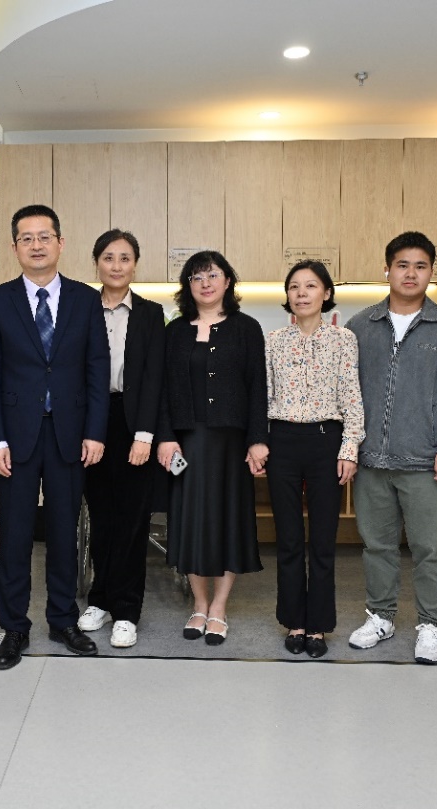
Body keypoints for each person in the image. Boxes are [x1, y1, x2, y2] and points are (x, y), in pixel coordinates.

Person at [0, 204, 110, 670]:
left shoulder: (85, 300)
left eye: (44, 236)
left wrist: (95, 431)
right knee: (14, 535)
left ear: (60, 243)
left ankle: (62, 620)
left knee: (63, 533)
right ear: (15, 247)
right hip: (14, 438)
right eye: (26, 238)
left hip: (70, 434)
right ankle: (14, 627)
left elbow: (97, 369)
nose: (36, 245)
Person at [345, 231, 437, 664]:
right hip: (371, 458)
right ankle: (380, 617)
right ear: (387, 270)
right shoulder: (359, 327)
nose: (410, 273)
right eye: (402, 265)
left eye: (421, 266)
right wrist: (348, 446)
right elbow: (345, 391)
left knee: (431, 549)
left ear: (430, 273)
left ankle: (430, 625)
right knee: (377, 546)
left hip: (425, 459)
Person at [156, 251, 268, 646]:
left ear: (227, 281)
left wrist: (258, 440)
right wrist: (165, 436)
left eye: (213, 275)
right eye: (196, 277)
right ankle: (199, 604)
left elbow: (258, 388)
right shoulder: (174, 331)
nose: (205, 283)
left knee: (229, 520)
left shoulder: (246, 328)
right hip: (185, 441)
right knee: (189, 521)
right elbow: (162, 389)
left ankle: (220, 606)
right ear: (187, 285)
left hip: (232, 443)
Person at [265, 261, 364, 659]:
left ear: (326, 293)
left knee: (323, 540)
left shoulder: (343, 339)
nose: (302, 293)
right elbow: (264, 396)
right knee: (288, 539)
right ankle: (295, 621)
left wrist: (349, 448)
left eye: (310, 286)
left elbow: (352, 395)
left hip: (326, 441)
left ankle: (319, 624)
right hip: (283, 441)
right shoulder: (273, 340)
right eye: (294, 287)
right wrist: (259, 444)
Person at [77, 229, 165, 649]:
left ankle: (127, 610)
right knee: (101, 517)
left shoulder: (150, 314)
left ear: (135, 265)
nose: (116, 266)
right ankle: (100, 599)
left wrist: (145, 434)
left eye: (125, 258)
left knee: (132, 520)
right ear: (97, 263)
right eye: (109, 258)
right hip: (91, 425)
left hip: (134, 424)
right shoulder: (80, 308)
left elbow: (154, 378)